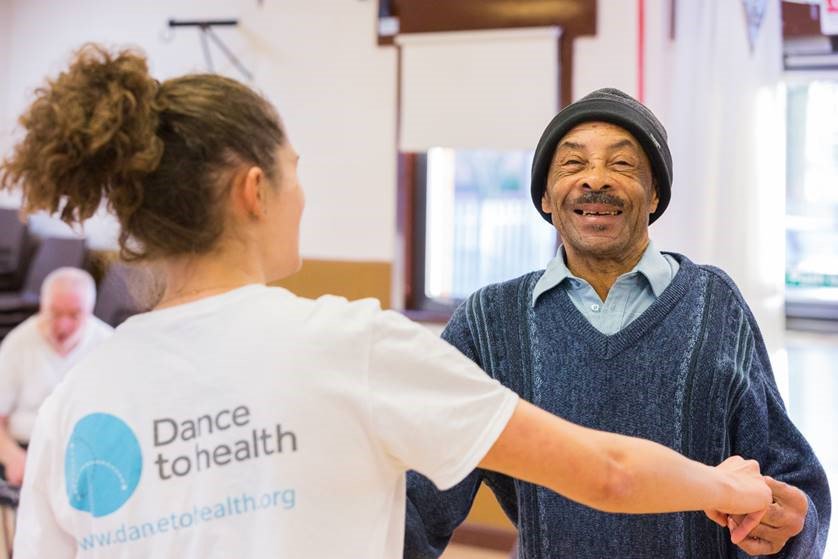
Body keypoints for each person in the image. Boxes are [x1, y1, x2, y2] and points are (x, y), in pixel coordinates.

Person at [0, 47, 771, 558]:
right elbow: (607, 472)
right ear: (253, 190)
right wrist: (730, 486)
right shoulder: (349, 343)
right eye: (295, 170)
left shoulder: (78, 399)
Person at [404, 88, 831, 558]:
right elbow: (421, 495)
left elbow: (789, 479)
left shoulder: (715, 303)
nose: (595, 180)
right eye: (572, 164)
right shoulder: (488, 322)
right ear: (545, 197)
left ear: (654, 195)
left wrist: (794, 524)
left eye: (622, 165)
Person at [0, 267, 112, 486]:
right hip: (25, 448)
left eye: (74, 315)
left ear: (90, 311)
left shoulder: (108, 345)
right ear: (42, 305)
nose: (63, 326)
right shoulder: (18, 343)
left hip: (87, 453)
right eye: (55, 313)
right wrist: (12, 456)